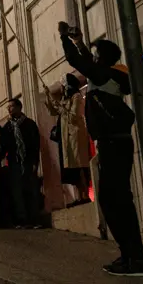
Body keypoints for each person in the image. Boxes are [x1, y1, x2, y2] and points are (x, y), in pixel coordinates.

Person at [59, 22, 143, 277]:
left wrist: (65, 38)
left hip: (112, 144)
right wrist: (79, 42)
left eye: (96, 55)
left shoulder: (104, 75)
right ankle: (132, 255)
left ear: (102, 58)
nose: (93, 58)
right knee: (118, 200)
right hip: (115, 143)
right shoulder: (108, 75)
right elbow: (87, 60)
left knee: (113, 201)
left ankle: (134, 257)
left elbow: (78, 61)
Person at [43, 74, 91, 206]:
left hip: (76, 136)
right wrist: (48, 96)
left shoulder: (77, 97)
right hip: (66, 138)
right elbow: (53, 111)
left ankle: (85, 194)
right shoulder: (65, 99)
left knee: (80, 165)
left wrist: (60, 106)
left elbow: (74, 116)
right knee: (72, 168)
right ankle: (78, 195)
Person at [0, 98, 41, 229]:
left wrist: (35, 161)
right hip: (14, 162)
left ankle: (34, 219)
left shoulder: (29, 124)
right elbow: (4, 146)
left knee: (31, 190)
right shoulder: (7, 128)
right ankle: (21, 219)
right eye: (8, 107)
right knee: (17, 192)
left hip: (28, 161)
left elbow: (35, 144)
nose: (9, 109)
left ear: (19, 107)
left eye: (11, 106)